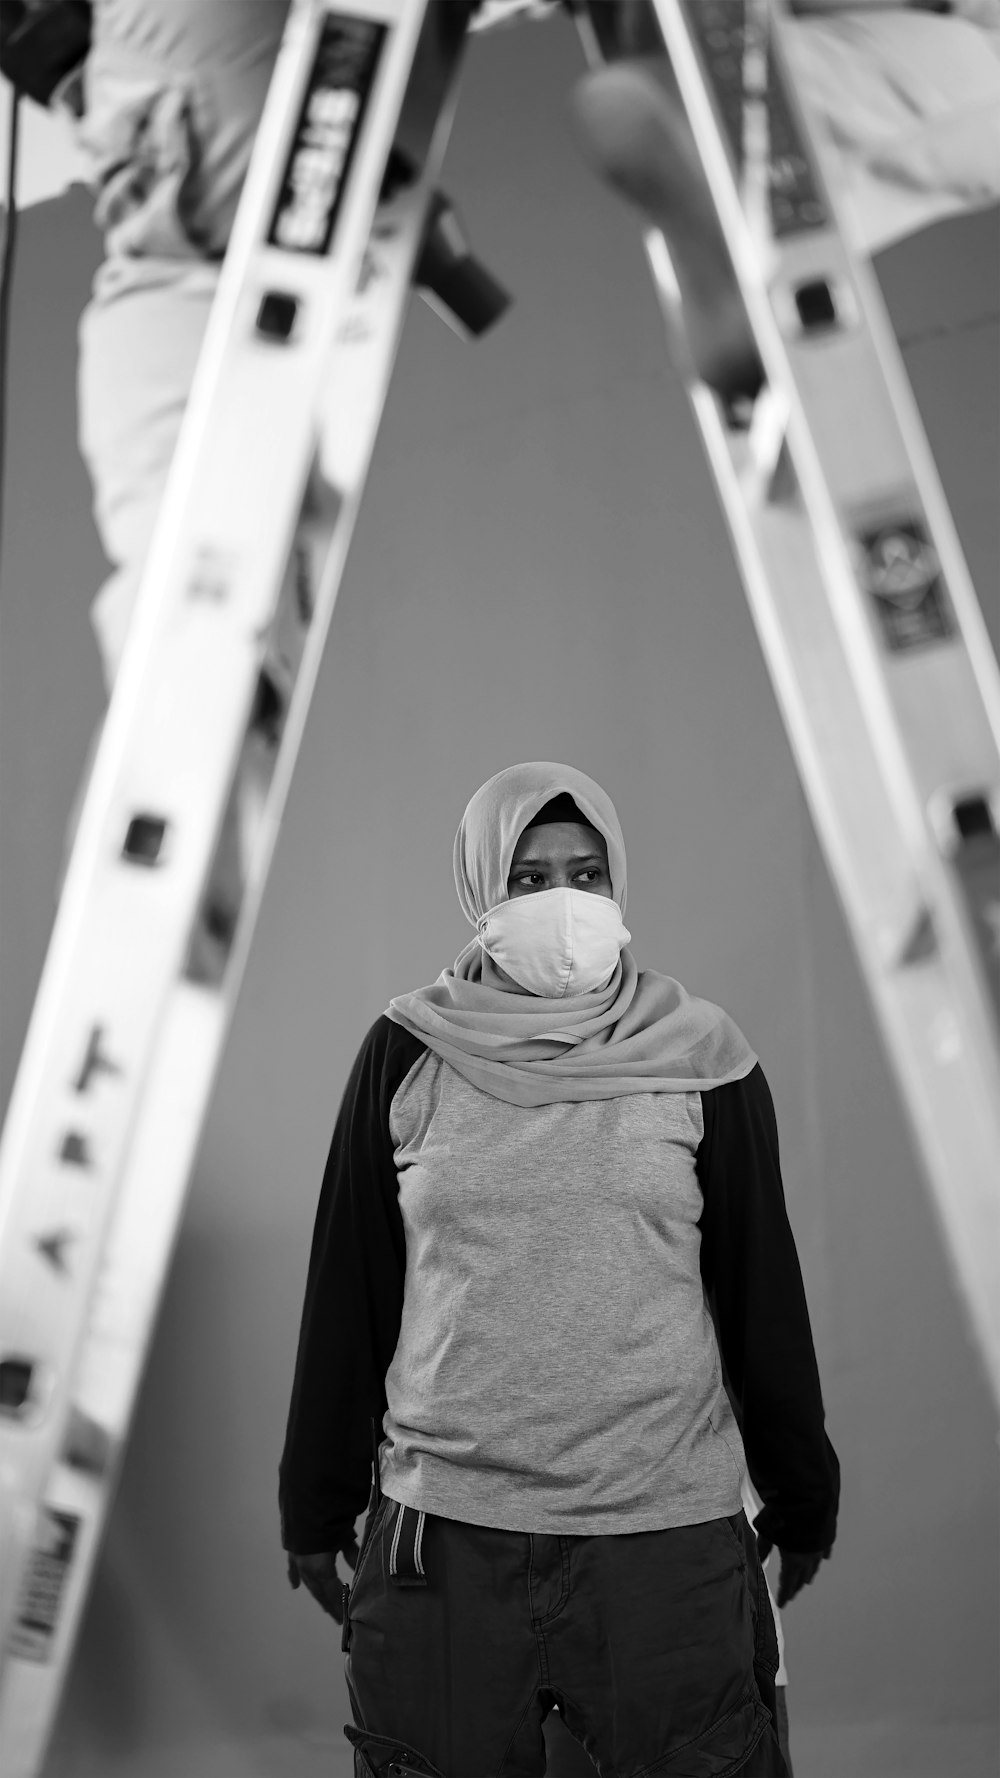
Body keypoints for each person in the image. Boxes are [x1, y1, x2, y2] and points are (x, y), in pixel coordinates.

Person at [278, 760, 840, 1777]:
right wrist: (313, 1506)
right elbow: (348, 1290)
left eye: (585, 874)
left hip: (661, 1534)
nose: (562, 904)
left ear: (619, 882)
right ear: (480, 888)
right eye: (529, 879)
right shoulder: (407, 1051)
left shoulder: (700, 1054)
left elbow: (761, 1292)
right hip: (442, 1538)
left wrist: (803, 1495)